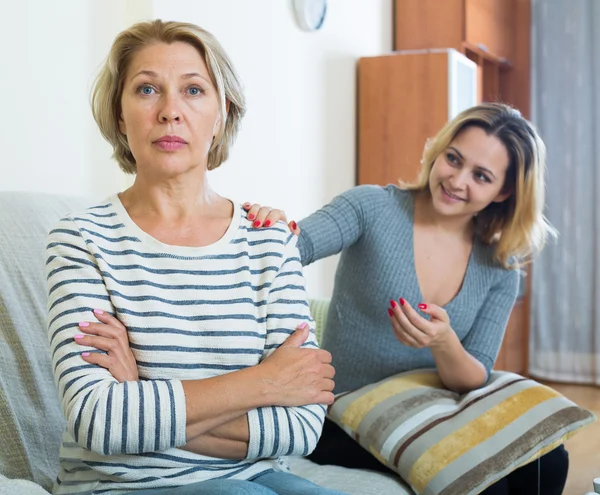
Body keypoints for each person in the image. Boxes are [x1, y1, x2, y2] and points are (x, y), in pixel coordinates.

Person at [46, 20, 344, 495]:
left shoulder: (270, 240)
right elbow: (99, 419)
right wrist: (266, 382)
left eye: (193, 90)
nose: (170, 111)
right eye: (147, 89)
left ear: (222, 113)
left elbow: (303, 428)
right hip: (119, 487)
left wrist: (142, 389)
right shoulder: (81, 239)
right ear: (120, 116)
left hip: (256, 477)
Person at [243, 103, 568, 495]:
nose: (456, 180)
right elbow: (295, 246)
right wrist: (275, 226)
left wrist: (443, 342)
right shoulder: (371, 207)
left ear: (505, 191)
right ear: (440, 150)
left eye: (480, 176)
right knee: (483, 481)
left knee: (551, 459)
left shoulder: (501, 265)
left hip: (429, 411)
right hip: (343, 416)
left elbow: (473, 375)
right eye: (453, 158)